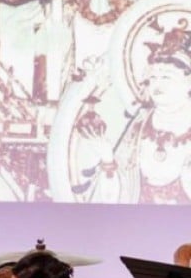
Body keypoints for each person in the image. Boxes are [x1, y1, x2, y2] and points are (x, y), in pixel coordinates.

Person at [76, 23, 191, 204]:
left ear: (188, 83)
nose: (157, 84)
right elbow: (115, 198)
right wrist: (107, 159)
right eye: (153, 78)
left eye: (167, 77)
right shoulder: (140, 124)